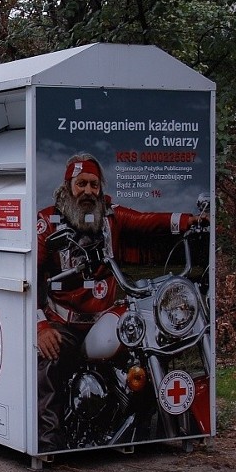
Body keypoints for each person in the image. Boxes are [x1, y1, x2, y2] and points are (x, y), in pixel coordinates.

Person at [35, 153, 204, 452]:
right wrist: (40, 326)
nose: (88, 191)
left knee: (147, 342)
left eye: (94, 185)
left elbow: (146, 222)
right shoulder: (48, 222)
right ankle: (50, 444)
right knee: (49, 359)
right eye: (81, 184)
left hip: (106, 316)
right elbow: (29, 275)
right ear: (68, 186)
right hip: (65, 323)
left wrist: (190, 221)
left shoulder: (109, 216)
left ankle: (145, 423)